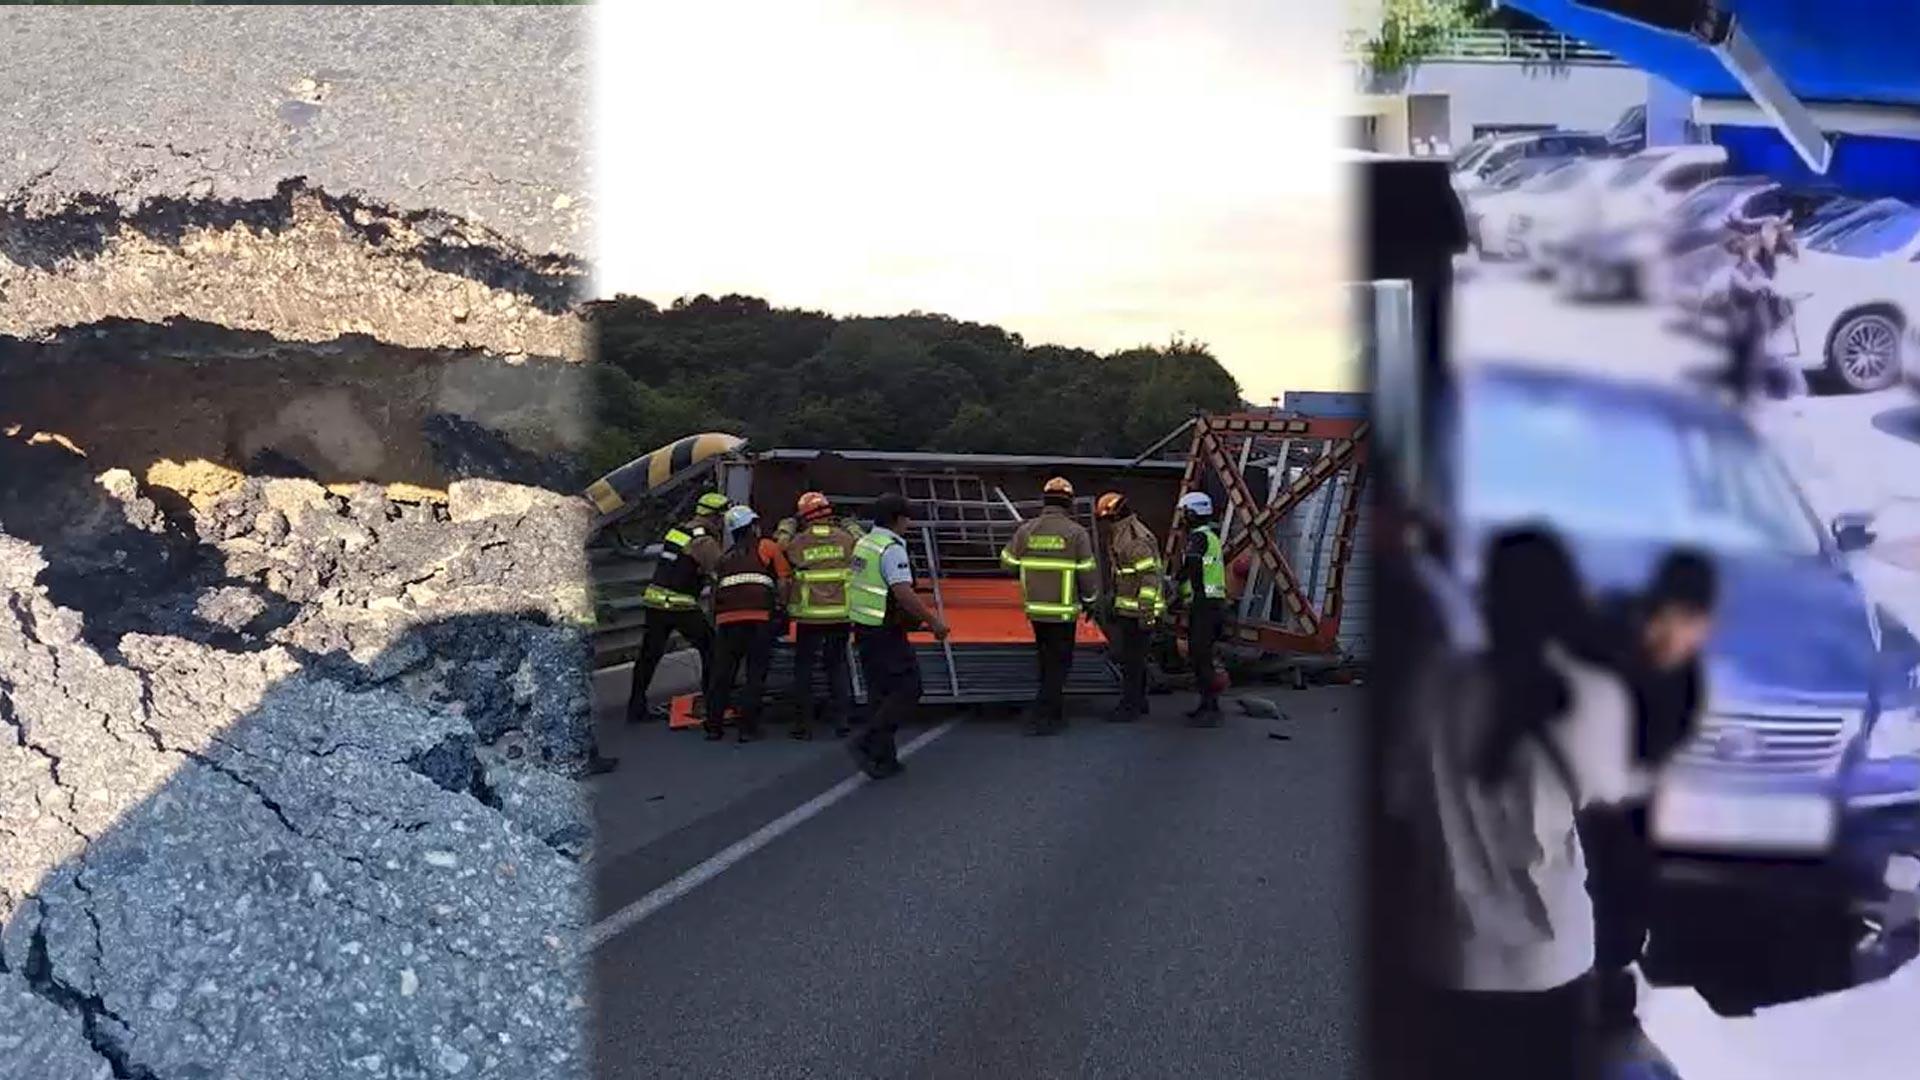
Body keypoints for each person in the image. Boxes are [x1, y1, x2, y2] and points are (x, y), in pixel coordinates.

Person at [1389, 528, 1643, 1080]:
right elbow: (1612, 811)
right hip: (1554, 962)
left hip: (1446, 955)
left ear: (1487, 598)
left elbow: (1402, 805)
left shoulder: (1434, 684)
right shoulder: (1593, 695)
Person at [1577, 550, 1716, 1045]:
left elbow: (1671, 734)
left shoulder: (1685, 672)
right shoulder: (1604, 640)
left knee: (1624, 887)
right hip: (1578, 795)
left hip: (1629, 802)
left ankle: (1610, 982)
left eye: (1697, 625)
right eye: (1682, 621)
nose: (1688, 637)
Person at [847, 493, 949, 778]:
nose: (909, 523)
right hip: (885, 629)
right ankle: (868, 741)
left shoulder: (865, 543)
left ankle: (884, 758)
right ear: (897, 519)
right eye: (907, 518)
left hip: (864, 626)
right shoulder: (891, 549)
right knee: (909, 687)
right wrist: (933, 621)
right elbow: (902, 592)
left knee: (880, 693)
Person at [1000, 476, 1099, 736]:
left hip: (1036, 610)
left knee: (1046, 661)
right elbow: (1087, 573)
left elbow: (1007, 563)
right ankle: (1044, 716)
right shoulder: (1076, 533)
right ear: (1069, 502)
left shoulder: (1026, 530)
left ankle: (1053, 711)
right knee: (1059, 664)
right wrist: (1091, 601)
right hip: (1063, 613)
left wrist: (1029, 570)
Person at [625, 491, 725, 725]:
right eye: (722, 517)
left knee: (648, 656)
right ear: (716, 517)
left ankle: (635, 708)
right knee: (711, 649)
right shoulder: (704, 540)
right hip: (680, 604)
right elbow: (719, 570)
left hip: (655, 600)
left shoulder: (678, 531)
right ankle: (712, 704)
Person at [703, 504, 791, 742]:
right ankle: (747, 728)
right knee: (755, 673)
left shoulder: (724, 557)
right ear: (752, 526)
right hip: (758, 618)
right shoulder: (767, 547)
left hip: (727, 620)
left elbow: (714, 593)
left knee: (723, 673)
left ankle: (713, 726)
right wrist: (783, 607)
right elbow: (783, 580)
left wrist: (715, 618)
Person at [782, 490, 859, 740]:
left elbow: (781, 547)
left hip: (809, 616)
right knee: (837, 666)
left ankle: (803, 725)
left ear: (804, 516)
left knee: (804, 668)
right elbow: (863, 544)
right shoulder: (846, 539)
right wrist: (851, 524)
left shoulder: (800, 541)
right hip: (840, 614)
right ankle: (842, 721)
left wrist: (787, 525)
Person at [1094, 490, 1164, 723]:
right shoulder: (1122, 534)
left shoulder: (1134, 539)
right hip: (1129, 609)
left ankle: (1130, 706)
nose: (1104, 524)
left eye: (1105, 518)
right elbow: (1124, 575)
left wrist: (1146, 614)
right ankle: (1139, 702)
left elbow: (1149, 578)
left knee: (1132, 662)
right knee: (1135, 660)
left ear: (1114, 515)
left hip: (1138, 612)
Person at [1168, 490, 1228, 727]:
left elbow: (1192, 567)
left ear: (1194, 513)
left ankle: (1210, 708)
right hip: (1211, 603)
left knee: (1201, 657)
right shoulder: (1210, 537)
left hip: (1204, 605)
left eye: (1185, 512)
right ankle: (1207, 705)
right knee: (1201, 656)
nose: (1183, 517)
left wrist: (1176, 588)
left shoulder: (1198, 538)